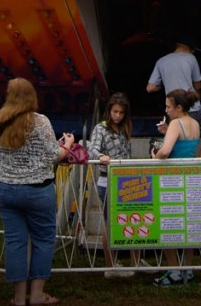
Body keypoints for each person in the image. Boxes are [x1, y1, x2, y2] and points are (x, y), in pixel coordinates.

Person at [0, 77, 73, 306]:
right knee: (43, 240)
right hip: (37, 191)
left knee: (15, 242)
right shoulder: (41, 122)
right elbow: (54, 155)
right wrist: (68, 145)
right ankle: (36, 295)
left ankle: (18, 297)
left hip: (5, 189)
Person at [150, 89, 200, 286]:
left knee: (167, 224)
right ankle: (188, 269)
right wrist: (168, 132)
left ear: (179, 107)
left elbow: (166, 151)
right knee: (189, 226)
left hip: (173, 179)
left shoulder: (176, 123)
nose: (166, 110)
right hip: (192, 178)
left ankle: (174, 271)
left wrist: (155, 156)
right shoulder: (194, 123)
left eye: (168, 107)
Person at [87, 92, 140, 279]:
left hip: (126, 180)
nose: (117, 115)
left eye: (121, 112)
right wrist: (100, 157)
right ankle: (110, 266)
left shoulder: (125, 127)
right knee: (110, 223)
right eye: (115, 111)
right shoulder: (100, 128)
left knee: (134, 219)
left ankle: (136, 262)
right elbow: (91, 149)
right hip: (107, 180)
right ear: (109, 110)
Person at [146, 36, 201, 157]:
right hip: (193, 109)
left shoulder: (161, 61)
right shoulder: (191, 58)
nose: (193, 52)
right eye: (193, 50)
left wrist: (163, 85)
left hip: (174, 110)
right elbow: (198, 85)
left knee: (174, 138)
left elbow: (150, 88)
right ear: (186, 47)